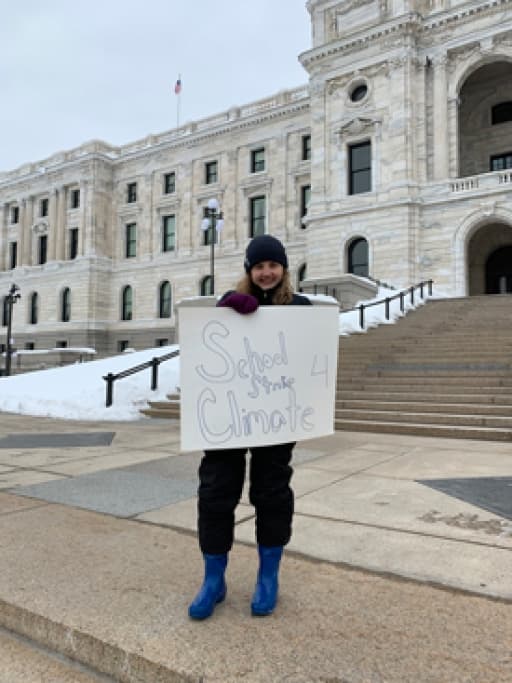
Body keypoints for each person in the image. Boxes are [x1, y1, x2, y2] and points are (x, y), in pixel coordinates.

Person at [188, 233, 312, 620]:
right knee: (215, 492)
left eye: (272, 265)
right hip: (229, 418)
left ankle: (268, 576)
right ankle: (214, 579)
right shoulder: (230, 305)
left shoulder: (301, 307)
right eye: (258, 266)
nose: (266, 272)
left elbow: (311, 357)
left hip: (275, 419)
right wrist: (227, 307)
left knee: (272, 492)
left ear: (283, 269)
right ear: (249, 270)